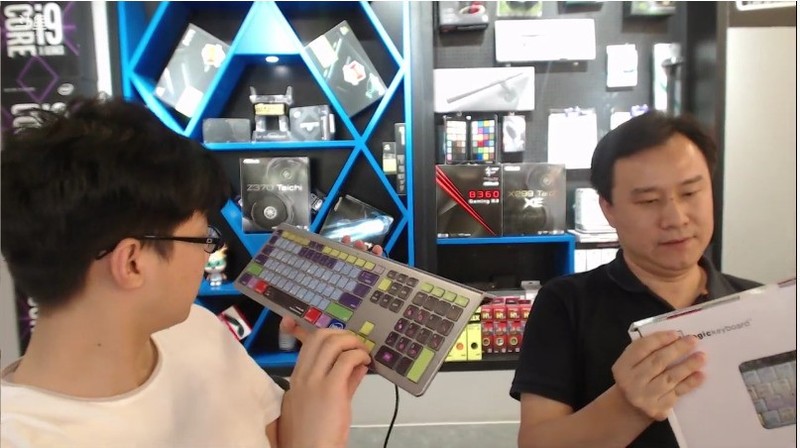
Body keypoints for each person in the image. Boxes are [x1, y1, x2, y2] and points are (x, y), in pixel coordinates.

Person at [0, 97, 380, 448]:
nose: (206, 256)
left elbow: (276, 437)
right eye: (202, 240)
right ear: (132, 263)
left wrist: (321, 383)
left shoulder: (199, 331)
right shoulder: (24, 437)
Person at [511, 111, 760, 448]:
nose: (675, 218)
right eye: (649, 201)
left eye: (690, 193)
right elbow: (536, 443)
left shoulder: (758, 304)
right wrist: (625, 407)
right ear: (608, 210)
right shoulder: (565, 303)